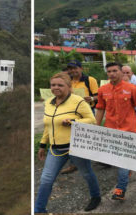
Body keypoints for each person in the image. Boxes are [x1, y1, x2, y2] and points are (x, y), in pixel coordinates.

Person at [35, 72, 101, 213]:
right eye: (53, 85)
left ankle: (96, 197)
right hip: (55, 149)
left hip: (76, 147)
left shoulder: (78, 101)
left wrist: (74, 122)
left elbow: (92, 120)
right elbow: (49, 125)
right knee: (46, 179)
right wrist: (42, 144)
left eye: (60, 85)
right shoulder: (48, 103)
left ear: (68, 87)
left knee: (86, 173)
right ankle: (39, 210)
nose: (56, 87)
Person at [96, 62, 136, 200]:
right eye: (109, 71)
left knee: (122, 160)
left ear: (121, 72)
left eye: (114, 70)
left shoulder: (132, 88)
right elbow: (100, 108)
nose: (111, 74)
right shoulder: (102, 90)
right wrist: (96, 126)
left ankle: (120, 189)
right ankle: (128, 170)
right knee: (119, 158)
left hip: (129, 129)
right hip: (111, 129)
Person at [61, 60, 99, 174]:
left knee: (87, 136)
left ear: (81, 68)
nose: (73, 71)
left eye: (75, 68)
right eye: (70, 69)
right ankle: (73, 164)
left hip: (86, 112)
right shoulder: (67, 81)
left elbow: (97, 96)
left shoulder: (90, 80)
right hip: (71, 112)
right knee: (72, 137)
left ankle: (90, 160)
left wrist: (91, 99)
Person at [122, 65, 136, 134]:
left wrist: (127, 84)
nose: (125, 75)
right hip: (122, 114)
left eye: (127, 72)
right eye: (123, 73)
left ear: (132, 73)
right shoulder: (115, 84)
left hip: (135, 112)